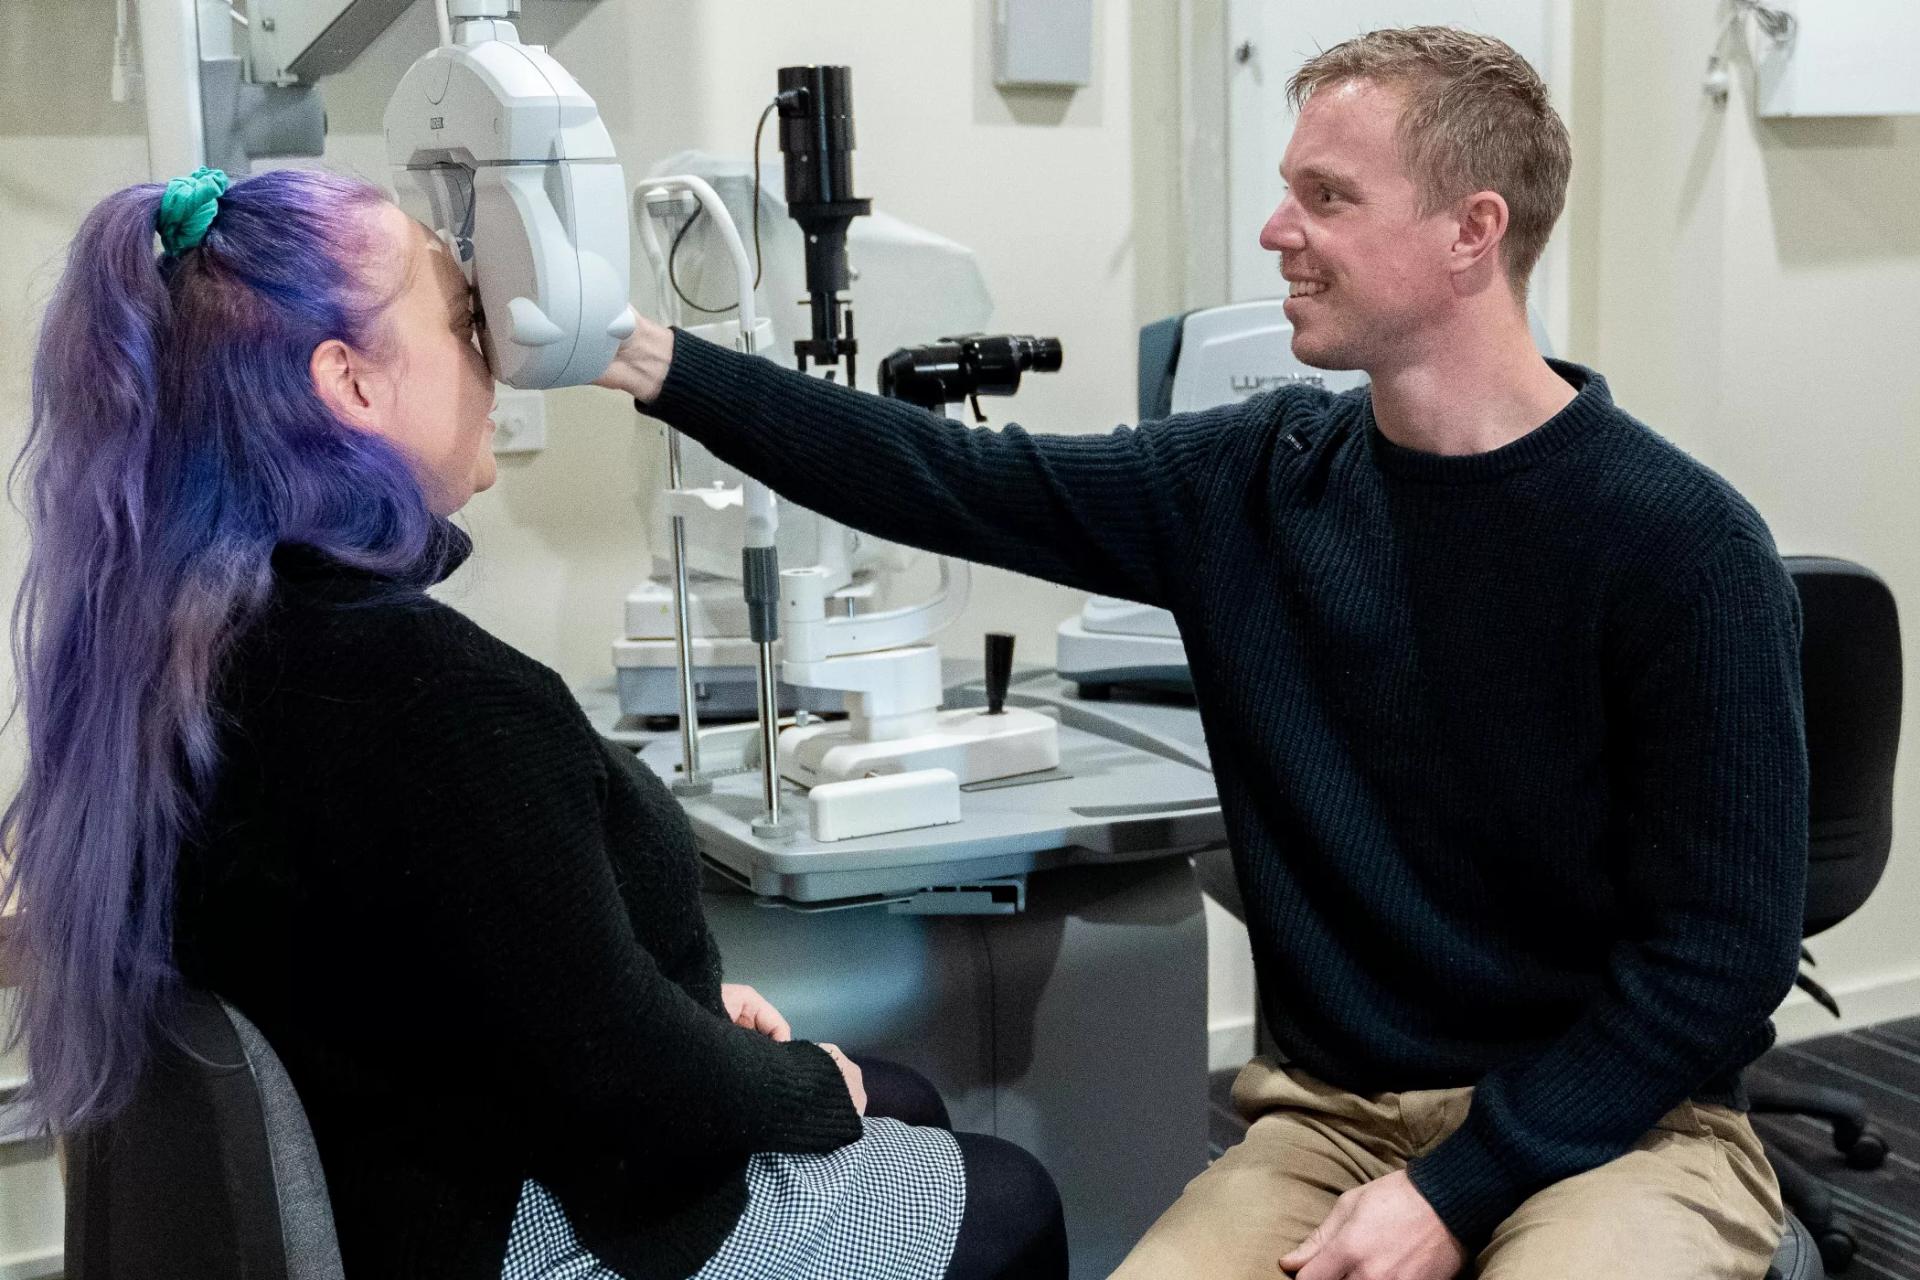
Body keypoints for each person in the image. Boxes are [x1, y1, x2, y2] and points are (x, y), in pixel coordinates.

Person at [596, 26, 1806, 1280]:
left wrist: (1459, 1187)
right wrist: (644, 357)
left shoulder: (1683, 547)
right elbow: (954, 479)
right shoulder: (1257, 480)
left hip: (1626, 1125)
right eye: (1289, 190)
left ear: (1472, 231)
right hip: (1337, 1120)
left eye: (1327, 197)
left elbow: (1719, 961)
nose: (1279, 230)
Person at [1, 166, 1066, 1280]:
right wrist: (796, 1080)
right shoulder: (431, 698)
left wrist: (684, 1006)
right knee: (1004, 1191)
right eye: (462, 319)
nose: (495, 360)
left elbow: (473, 969)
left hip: (402, 1171)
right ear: (350, 384)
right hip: (518, 1224)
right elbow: (623, 1074)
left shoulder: (188, 662)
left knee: (896, 1097)